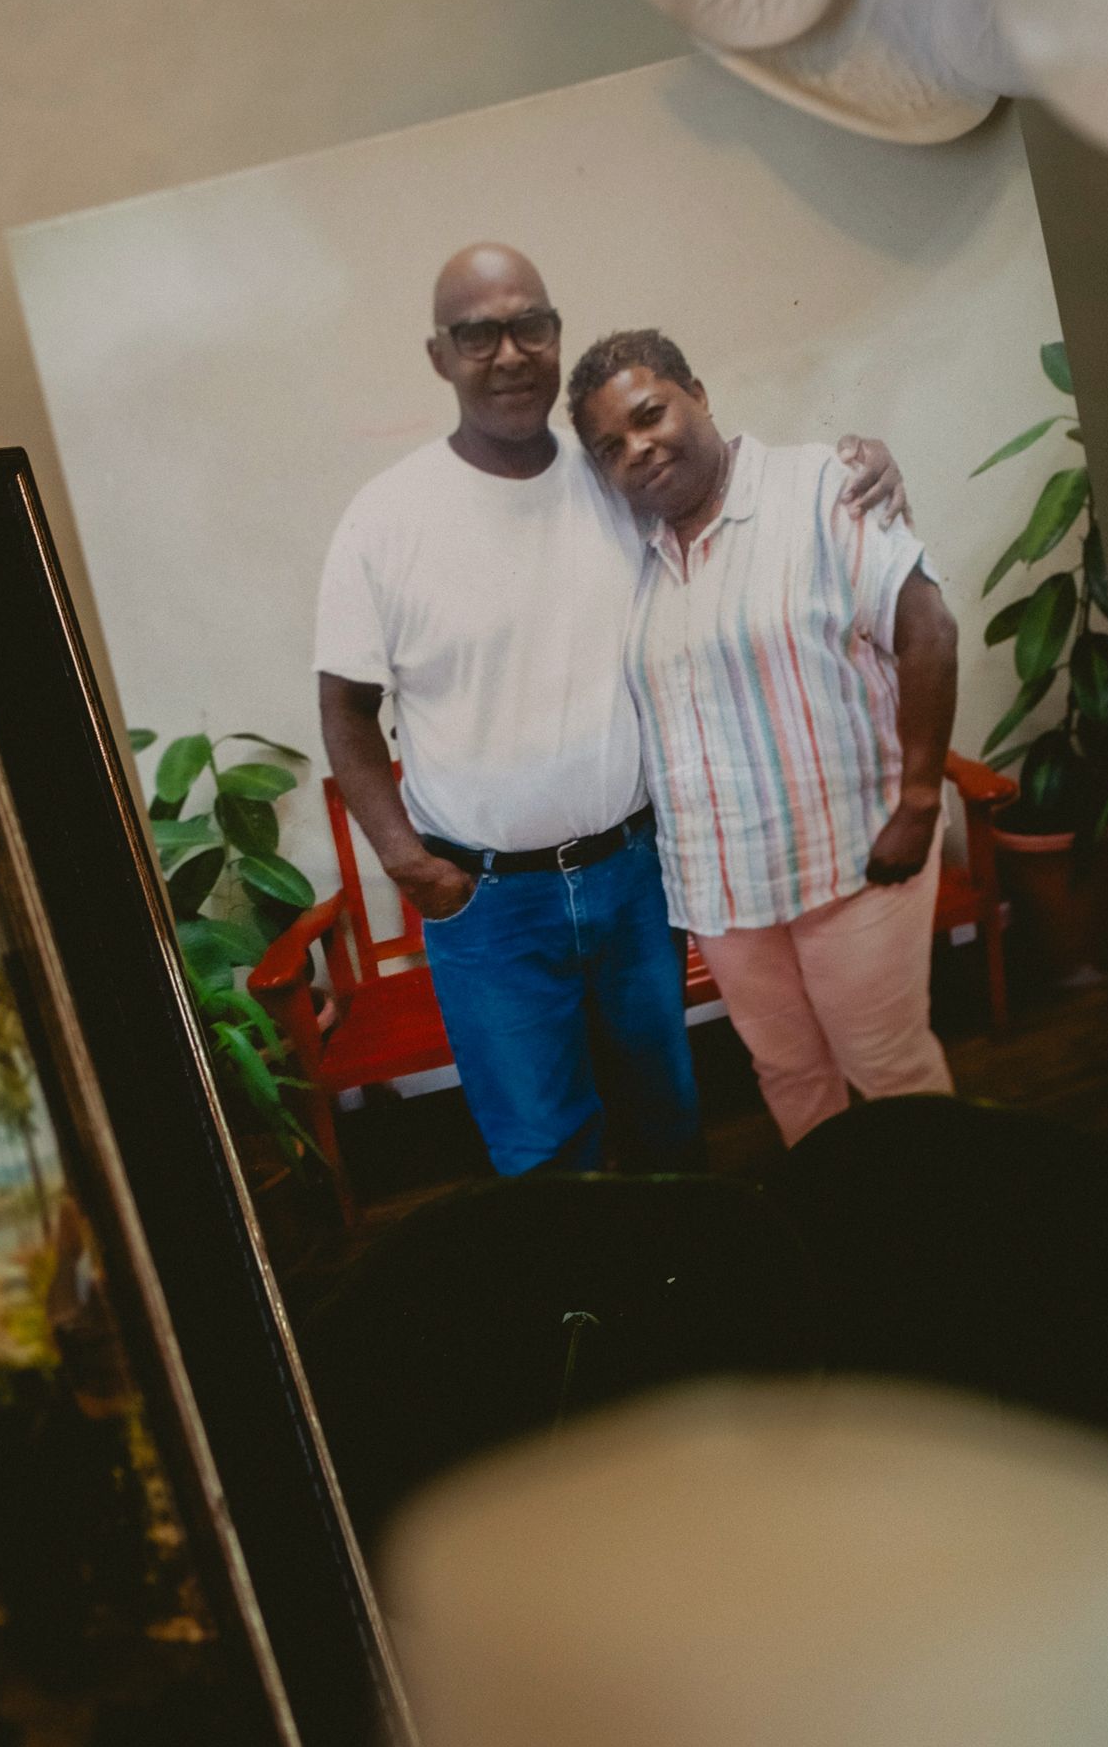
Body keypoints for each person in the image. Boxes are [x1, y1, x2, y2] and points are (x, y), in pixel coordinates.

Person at [315, 245, 907, 1178]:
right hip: (487, 903)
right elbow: (346, 709)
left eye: (529, 326)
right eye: (477, 333)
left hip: (636, 877)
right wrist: (405, 859)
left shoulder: (615, 478)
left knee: (667, 1119)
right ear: (440, 356)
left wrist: (862, 463)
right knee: (545, 1149)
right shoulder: (385, 518)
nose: (508, 352)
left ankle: (680, 1304)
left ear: (555, 338)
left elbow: (738, 486)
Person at [568, 329, 959, 1150]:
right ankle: (840, 1234)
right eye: (611, 445)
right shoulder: (628, 553)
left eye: (651, 415)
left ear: (699, 395)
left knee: (888, 1071)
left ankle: (941, 1244)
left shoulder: (817, 487)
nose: (638, 448)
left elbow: (929, 629)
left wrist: (921, 799)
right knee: (786, 1073)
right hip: (723, 889)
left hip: (852, 857)